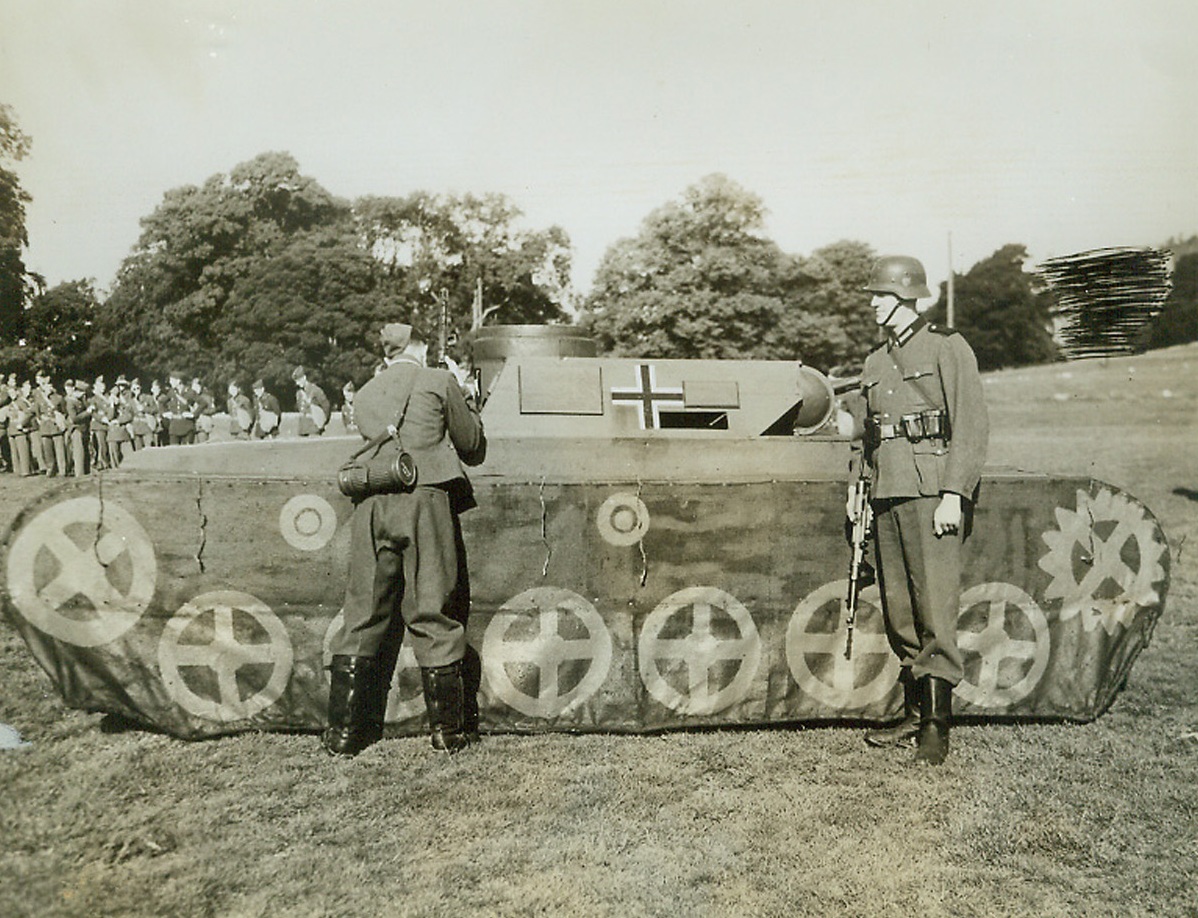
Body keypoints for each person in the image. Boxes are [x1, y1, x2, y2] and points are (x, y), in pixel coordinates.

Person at [323, 321, 486, 757]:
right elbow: (471, 445)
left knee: (362, 613)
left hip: (373, 501)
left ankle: (343, 735)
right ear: (420, 346)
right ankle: (447, 734)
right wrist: (467, 394)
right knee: (433, 608)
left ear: (389, 352)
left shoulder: (366, 392)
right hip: (424, 501)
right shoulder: (438, 380)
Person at [850, 255, 988, 766]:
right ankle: (914, 712)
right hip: (888, 489)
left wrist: (955, 492)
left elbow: (970, 424)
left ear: (906, 297)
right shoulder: (873, 361)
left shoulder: (946, 347)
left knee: (934, 606)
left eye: (879, 295)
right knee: (901, 609)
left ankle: (936, 724)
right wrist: (858, 489)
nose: (872, 303)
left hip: (932, 492)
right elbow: (868, 437)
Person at [293, 366, 330, 437]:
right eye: (296, 381)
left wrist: (324, 422)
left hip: (314, 427)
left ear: (304, 378)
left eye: (298, 380)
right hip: (303, 429)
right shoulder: (299, 393)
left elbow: (326, 406)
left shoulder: (315, 390)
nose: (297, 383)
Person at [162, 372, 197, 445]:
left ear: (178, 381)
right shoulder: (171, 392)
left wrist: (193, 414)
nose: (170, 382)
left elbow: (203, 403)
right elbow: (161, 402)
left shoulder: (190, 392)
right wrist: (164, 413)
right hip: (174, 427)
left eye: (172, 380)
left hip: (187, 426)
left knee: (187, 452)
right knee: (174, 452)